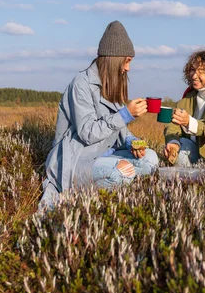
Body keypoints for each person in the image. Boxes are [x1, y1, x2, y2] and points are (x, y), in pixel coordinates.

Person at [40, 20, 159, 210]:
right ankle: (87, 205)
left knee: (151, 160)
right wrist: (126, 114)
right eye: (127, 61)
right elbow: (88, 133)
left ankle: (104, 184)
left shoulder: (111, 85)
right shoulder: (81, 84)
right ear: (114, 59)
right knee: (121, 173)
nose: (128, 68)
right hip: (76, 160)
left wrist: (132, 143)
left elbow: (120, 130)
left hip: (104, 155)